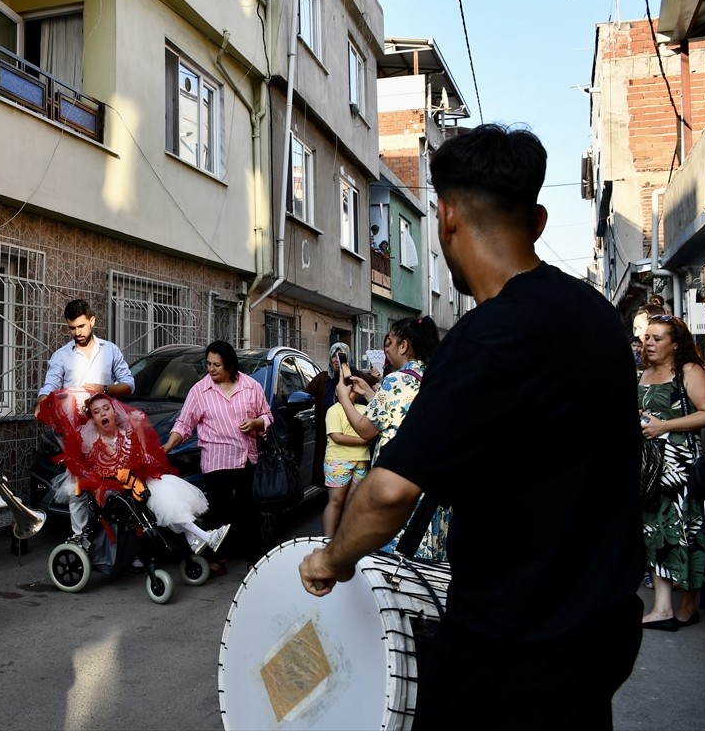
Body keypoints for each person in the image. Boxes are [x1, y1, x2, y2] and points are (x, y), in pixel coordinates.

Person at [299, 124, 643, 728]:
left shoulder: (489, 336)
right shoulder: (597, 316)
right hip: (600, 632)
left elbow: (388, 491)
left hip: (513, 646)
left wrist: (332, 559)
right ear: (537, 221)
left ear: (446, 218)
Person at [42, 392, 229, 557]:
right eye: (97, 412)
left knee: (166, 488)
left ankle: (196, 538)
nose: (103, 414)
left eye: (106, 409)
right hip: (117, 488)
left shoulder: (125, 435)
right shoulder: (90, 440)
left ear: (114, 412)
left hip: (135, 482)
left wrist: (134, 439)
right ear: (92, 419)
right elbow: (91, 465)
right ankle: (205, 537)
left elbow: (142, 462)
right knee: (162, 496)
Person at [336, 316, 446, 561]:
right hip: (429, 486)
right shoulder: (435, 375)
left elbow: (366, 430)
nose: (387, 348)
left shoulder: (395, 380)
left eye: (391, 342)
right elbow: (402, 412)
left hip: (398, 483)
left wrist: (344, 398)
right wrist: (369, 392)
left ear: (404, 346)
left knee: (396, 566)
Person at [163, 340, 272, 576]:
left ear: (230, 365)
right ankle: (219, 559)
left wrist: (256, 422)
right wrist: (169, 444)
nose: (211, 369)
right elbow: (184, 423)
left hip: (245, 458)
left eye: (217, 365)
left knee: (248, 510)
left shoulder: (251, 386)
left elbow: (267, 415)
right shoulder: (199, 391)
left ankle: (254, 559)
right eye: (209, 364)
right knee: (220, 512)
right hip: (216, 460)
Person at [37, 299, 134, 539]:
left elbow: (129, 385)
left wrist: (104, 389)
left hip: (108, 429)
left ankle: (120, 542)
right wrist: (42, 403)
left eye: (81, 326)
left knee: (116, 485)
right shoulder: (61, 356)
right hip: (76, 433)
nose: (77, 333)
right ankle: (80, 539)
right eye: (72, 328)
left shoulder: (110, 350)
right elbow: (49, 386)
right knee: (78, 487)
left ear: (92, 321)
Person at [638, 314, 705, 630]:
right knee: (655, 532)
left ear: (675, 344)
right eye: (646, 337)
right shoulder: (643, 374)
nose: (648, 343)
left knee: (685, 534)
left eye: (656, 338)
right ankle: (663, 608)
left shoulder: (688, 371)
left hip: (679, 467)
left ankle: (688, 605)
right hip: (648, 467)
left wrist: (665, 425)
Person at [306, 343, 378, 490]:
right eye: (334, 355)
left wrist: (375, 376)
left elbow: (373, 383)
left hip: (355, 440)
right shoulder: (322, 379)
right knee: (332, 490)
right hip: (330, 437)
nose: (336, 359)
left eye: (341, 355)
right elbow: (305, 395)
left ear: (348, 357)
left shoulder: (356, 377)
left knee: (354, 493)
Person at [321, 398, 371, 537]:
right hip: (339, 461)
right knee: (336, 502)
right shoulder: (334, 410)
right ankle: (327, 541)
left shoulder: (364, 409)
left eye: (353, 387)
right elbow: (337, 437)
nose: (351, 390)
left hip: (361, 460)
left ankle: (342, 538)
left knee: (351, 502)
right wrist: (364, 440)